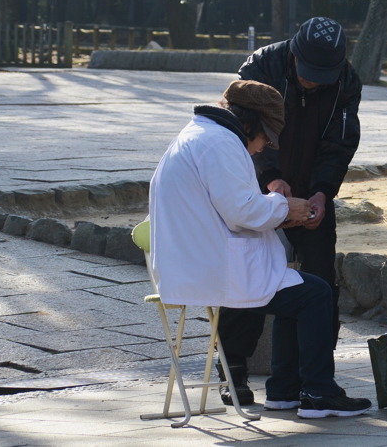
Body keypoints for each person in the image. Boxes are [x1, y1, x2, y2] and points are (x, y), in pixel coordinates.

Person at [148, 79, 371, 418]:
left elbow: (232, 207)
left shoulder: (202, 135)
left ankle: (284, 392)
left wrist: (279, 211)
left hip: (196, 259)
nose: (261, 148)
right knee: (316, 294)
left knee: (296, 289)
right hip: (213, 268)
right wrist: (286, 208)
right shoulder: (220, 143)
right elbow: (242, 211)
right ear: (250, 124)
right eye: (265, 138)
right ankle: (317, 392)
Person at [217, 16, 363, 406]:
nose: (313, 81)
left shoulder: (346, 81)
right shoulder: (260, 67)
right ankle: (233, 372)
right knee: (246, 273)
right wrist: (271, 179)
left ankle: (304, 380)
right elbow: (242, 131)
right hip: (256, 186)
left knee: (318, 282)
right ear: (292, 53)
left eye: (323, 74)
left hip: (312, 188)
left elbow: (340, 142)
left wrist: (321, 193)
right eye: (308, 71)